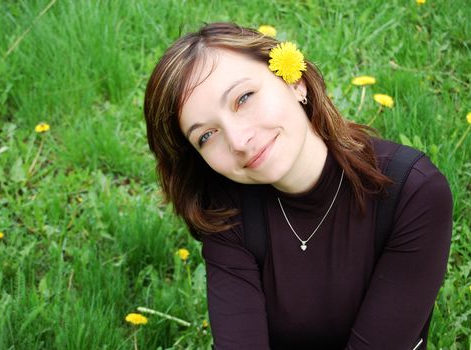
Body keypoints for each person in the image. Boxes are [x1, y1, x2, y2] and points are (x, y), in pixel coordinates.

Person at [143, 22, 452, 350]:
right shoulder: (226, 212)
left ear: (295, 82)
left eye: (243, 98)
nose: (239, 141)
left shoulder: (411, 192)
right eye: (206, 135)